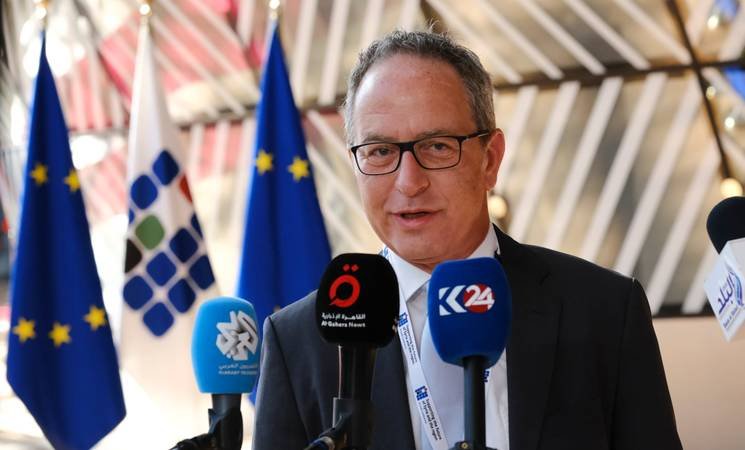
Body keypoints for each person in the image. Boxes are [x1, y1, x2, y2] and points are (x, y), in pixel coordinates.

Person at [252, 30, 682, 450]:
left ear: (490, 160)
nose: (409, 182)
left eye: (437, 147)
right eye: (380, 151)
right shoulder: (297, 341)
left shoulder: (604, 310)